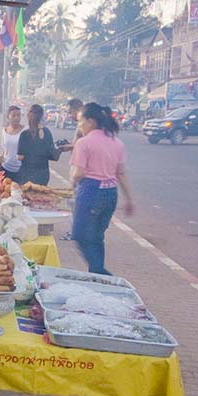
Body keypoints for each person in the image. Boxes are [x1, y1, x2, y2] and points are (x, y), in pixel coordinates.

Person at [69, 103, 134, 274]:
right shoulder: (116, 142)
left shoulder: (84, 143)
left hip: (91, 190)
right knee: (97, 237)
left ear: (90, 121)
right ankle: (97, 277)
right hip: (111, 193)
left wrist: (71, 184)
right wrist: (129, 199)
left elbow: (78, 173)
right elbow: (121, 173)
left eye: (80, 121)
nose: (79, 125)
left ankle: (100, 272)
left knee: (80, 235)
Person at [17, 103, 60, 185]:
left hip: (27, 174)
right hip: (43, 175)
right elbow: (51, 152)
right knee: (40, 196)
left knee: (27, 197)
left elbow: (20, 157)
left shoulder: (24, 134)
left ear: (29, 115)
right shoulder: (47, 132)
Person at [0, 105, 24, 177]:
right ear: (8, 117)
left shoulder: (25, 131)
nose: (16, 118)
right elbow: (2, 149)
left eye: (18, 115)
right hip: (5, 168)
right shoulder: (3, 131)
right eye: (13, 115)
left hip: (21, 169)